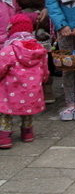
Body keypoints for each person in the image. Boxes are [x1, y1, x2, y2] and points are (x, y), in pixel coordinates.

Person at [0, 14, 47, 148]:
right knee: (27, 112)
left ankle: (4, 136)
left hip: (10, 90)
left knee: (4, 111)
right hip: (31, 91)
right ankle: (27, 133)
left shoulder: (8, 50)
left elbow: (1, 67)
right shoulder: (38, 49)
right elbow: (44, 69)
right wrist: (42, 80)